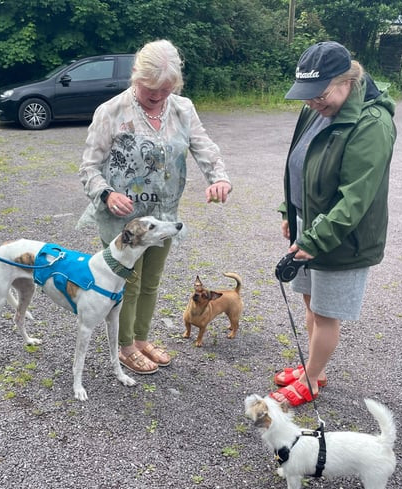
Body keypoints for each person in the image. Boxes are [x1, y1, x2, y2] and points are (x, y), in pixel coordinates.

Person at [78, 39, 232, 375]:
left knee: (151, 282)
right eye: (151, 90)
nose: (159, 97)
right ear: (136, 76)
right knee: (126, 286)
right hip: (123, 222)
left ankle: (142, 339)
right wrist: (107, 194)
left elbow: (205, 148)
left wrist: (218, 178)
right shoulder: (111, 111)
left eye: (166, 90)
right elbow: (88, 167)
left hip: (163, 219)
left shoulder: (182, 109)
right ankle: (125, 346)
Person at [271, 41, 396, 406]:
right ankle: (315, 366)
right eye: (307, 96)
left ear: (347, 81)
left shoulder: (372, 123)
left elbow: (356, 197)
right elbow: (301, 163)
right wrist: (288, 211)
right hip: (309, 228)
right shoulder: (320, 107)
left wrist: (314, 238)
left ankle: (311, 379)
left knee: (325, 314)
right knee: (311, 303)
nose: (313, 103)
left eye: (320, 94)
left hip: (341, 237)